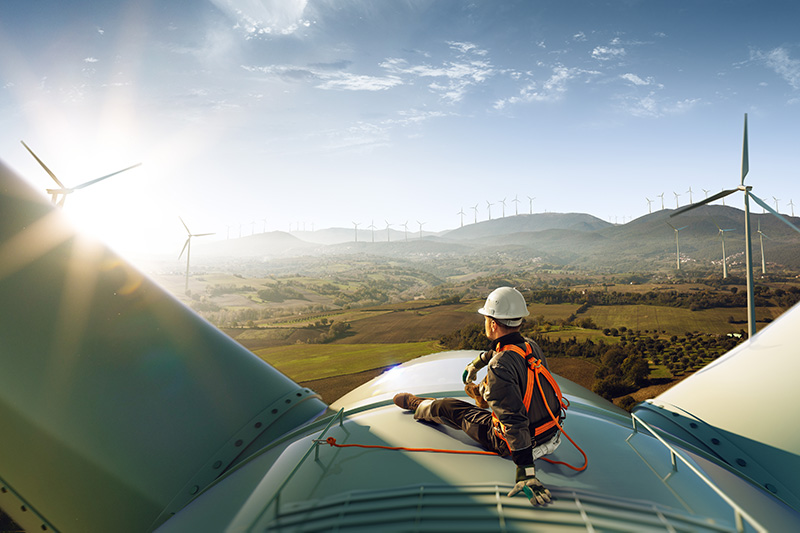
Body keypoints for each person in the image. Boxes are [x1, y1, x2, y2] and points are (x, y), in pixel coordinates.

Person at [393, 286, 563, 506]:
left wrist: (526, 471)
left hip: (521, 444)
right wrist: (477, 363)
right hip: (552, 434)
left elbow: (514, 420)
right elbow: (502, 351)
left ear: (492, 323)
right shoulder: (531, 346)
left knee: (449, 407)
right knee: (498, 384)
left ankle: (419, 405)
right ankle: (482, 393)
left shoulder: (500, 366)